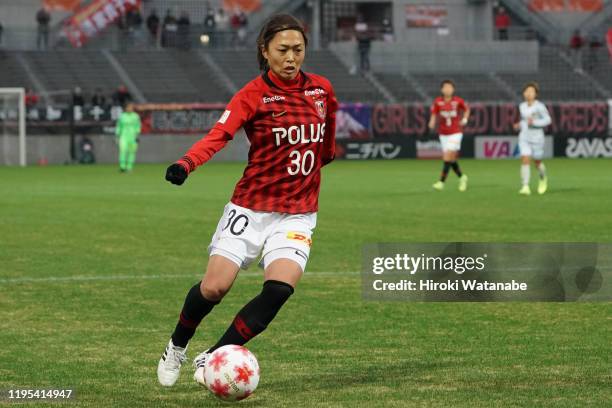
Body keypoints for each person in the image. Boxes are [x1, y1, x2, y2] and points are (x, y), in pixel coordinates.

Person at [157, 13, 337, 388]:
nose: (291, 57)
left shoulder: (321, 91)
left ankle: (215, 356)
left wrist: (324, 155)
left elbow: (328, 142)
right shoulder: (253, 95)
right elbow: (219, 134)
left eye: (298, 50)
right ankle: (177, 345)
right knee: (214, 288)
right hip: (250, 209)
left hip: (297, 215)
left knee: (279, 289)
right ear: (265, 51)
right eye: (283, 50)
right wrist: (186, 163)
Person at [429, 80, 470, 192]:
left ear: (453, 89)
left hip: (456, 132)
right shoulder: (438, 102)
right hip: (443, 134)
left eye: (450, 87)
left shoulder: (458, 101)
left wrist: (465, 119)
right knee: (451, 159)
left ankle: (441, 182)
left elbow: (467, 109)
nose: (448, 89)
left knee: (447, 156)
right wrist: (431, 122)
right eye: (445, 87)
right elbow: (434, 113)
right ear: (442, 90)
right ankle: (462, 177)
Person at [513, 82, 551, 195]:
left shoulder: (540, 107)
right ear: (524, 93)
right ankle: (525, 186)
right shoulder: (521, 106)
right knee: (525, 159)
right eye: (527, 91)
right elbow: (521, 121)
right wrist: (518, 125)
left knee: (537, 162)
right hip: (524, 137)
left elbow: (548, 120)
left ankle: (543, 178)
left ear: (536, 94)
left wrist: (534, 122)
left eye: (531, 92)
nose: (529, 94)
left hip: (537, 138)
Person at [115, 103, 141, 172]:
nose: (129, 109)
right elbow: (119, 126)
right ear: (126, 108)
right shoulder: (122, 116)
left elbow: (138, 126)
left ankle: (129, 167)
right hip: (123, 136)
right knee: (122, 151)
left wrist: (137, 135)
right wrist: (117, 135)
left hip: (133, 136)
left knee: (132, 152)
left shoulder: (135, 116)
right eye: (128, 107)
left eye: (131, 107)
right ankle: (122, 167)